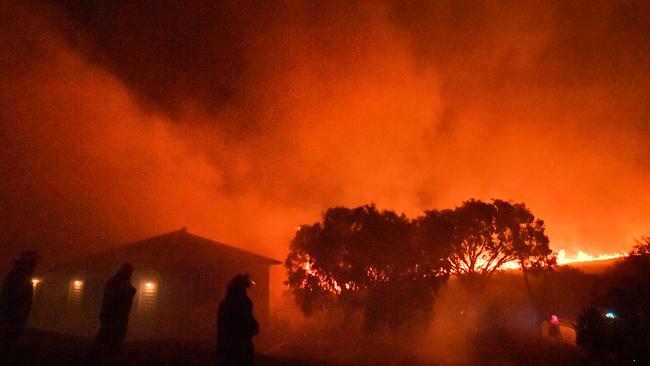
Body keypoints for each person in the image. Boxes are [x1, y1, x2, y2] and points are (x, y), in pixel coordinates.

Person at [92, 263, 136, 358]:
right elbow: (119, 296)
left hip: (116, 313)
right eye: (129, 271)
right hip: (115, 313)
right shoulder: (117, 282)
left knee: (110, 333)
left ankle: (105, 352)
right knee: (110, 333)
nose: (130, 273)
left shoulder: (115, 281)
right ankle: (103, 353)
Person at [216, 274, 259, 366]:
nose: (245, 293)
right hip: (238, 355)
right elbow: (250, 327)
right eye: (244, 289)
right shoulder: (240, 305)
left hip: (227, 355)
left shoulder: (225, 305)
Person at [0, 251, 40, 343]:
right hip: (11, 319)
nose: (33, 267)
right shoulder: (16, 278)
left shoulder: (23, 278)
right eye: (32, 263)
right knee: (7, 341)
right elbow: (12, 300)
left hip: (15, 318)